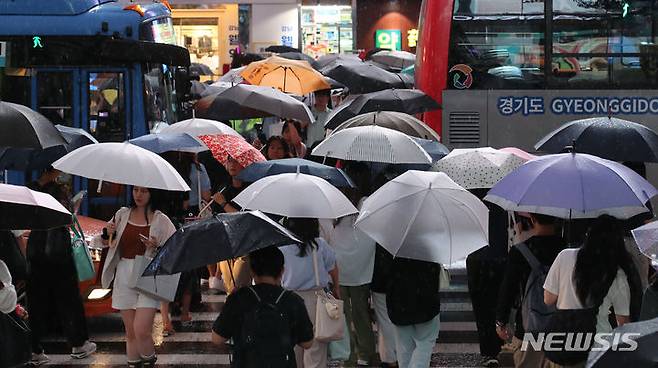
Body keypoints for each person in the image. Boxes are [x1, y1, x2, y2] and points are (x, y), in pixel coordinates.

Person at [92, 186, 177, 368]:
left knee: (141, 330)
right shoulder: (122, 214)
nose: (138, 195)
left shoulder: (161, 219)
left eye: (144, 191)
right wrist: (108, 232)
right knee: (130, 332)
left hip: (148, 274)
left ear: (153, 193)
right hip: (124, 273)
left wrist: (156, 246)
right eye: (136, 190)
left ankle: (149, 361)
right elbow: (103, 241)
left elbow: (175, 249)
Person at [543, 216, 637, 368]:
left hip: (561, 340)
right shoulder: (617, 273)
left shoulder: (565, 256)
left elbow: (548, 299)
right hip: (597, 346)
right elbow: (623, 323)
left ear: (589, 235)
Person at [26, 167, 96, 366]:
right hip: (58, 251)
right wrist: (73, 207)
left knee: (36, 302)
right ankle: (78, 343)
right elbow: (66, 218)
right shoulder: (59, 192)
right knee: (69, 299)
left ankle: (34, 349)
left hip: (36, 251)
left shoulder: (29, 191)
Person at [211, 247, 314, 367]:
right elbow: (307, 343)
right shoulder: (293, 300)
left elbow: (217, 339)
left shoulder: (239, 298)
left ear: (252, 271)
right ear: (281, 271)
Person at [320, 162, 376, 366]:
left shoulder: (335, 205)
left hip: (339, 269)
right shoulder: (368, 202)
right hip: (362, 268)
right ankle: (366, 352)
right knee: (362, 312)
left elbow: (325, 233)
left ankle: (349, 357)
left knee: (342, 316)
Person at [496, 212, 566, 368]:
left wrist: (501, 321)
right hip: (562, 326)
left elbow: (508, 288)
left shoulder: (520, 252)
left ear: (532, 219)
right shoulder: (567, 250)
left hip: (528, 326)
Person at [280, 218, 339, 368]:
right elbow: (333, 268)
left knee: (293, 346)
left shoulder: (283, 248)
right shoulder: (320, 245)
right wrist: (336, 288)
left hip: (290, 299)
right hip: (316, 298)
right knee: (316, 346)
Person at [466, 190, 508, 368]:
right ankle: (498, 347)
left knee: (481, 308)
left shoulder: (469, 200)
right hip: (499, 257)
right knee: (498, 304)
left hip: (477, 258)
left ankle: (489, 350)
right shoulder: (503, 198)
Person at [386, 257, 442, 368]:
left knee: (404, 349)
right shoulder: (430, 252)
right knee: (424, 344)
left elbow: (386, 278)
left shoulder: (395, 251)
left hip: (399, 307)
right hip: (425, 307)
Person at [212, 155, 251, 294]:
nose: (233, 165)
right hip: (226, 244)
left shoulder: (250, 189)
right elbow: (217, 216)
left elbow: (243, 218)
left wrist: (223, 203)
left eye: (237, 161)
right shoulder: (223, 187)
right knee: (230, 290)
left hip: (245, 245)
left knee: (238, 287)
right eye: (230, 161)